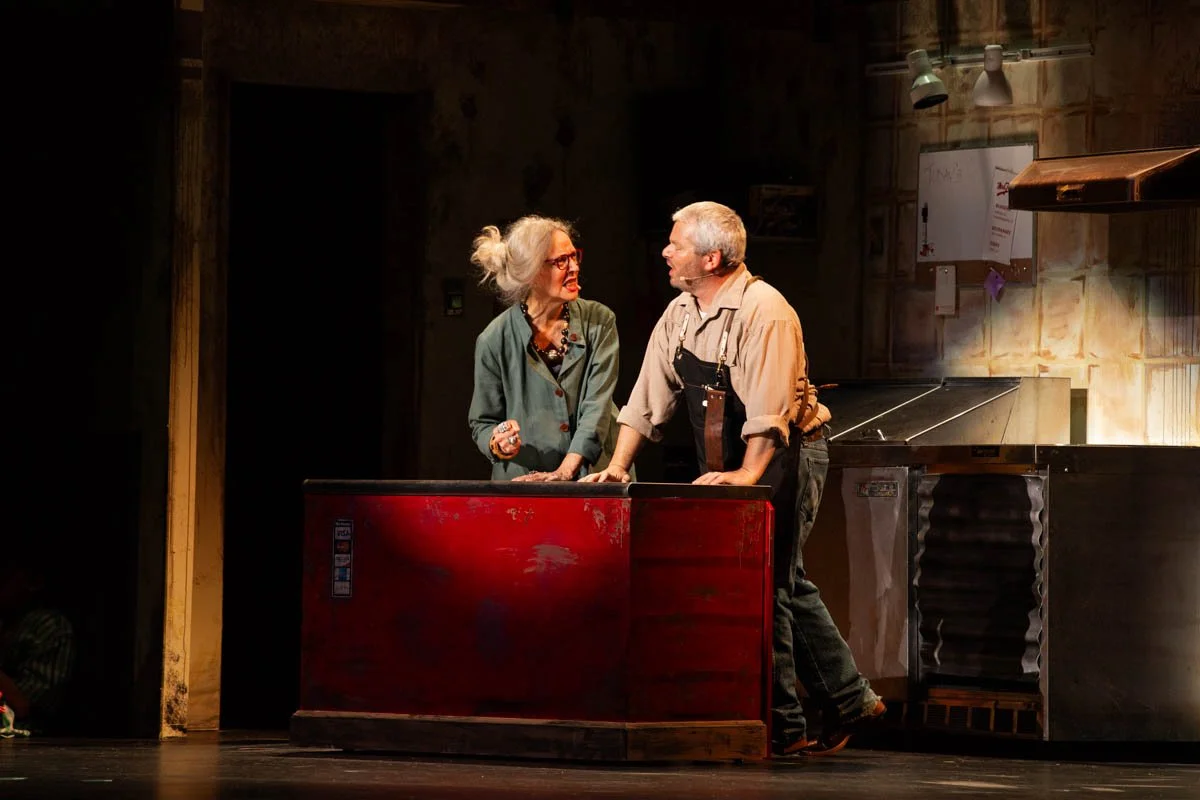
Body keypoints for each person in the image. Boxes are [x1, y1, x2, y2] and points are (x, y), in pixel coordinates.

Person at [582, 201, 884, 755]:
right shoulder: (682, 311)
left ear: (712, 256)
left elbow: (769, 409)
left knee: (768, 583)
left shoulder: (765, 312)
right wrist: (619, 463)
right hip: (732, 463)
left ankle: (785, 724)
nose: (666, 251)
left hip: (785, 453)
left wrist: (746, 474)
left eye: (676, 243)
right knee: (776, 582)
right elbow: (649, 396)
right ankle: (843, 702)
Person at [468, 215, 624, 481]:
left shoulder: (599, 321)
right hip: (526, 482)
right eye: (561, 261)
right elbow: (482, 423)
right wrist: (499, 443)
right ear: (531, 272)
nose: (574, 267)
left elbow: (597, 405)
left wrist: (566, 471)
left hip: (593, 477)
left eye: (575, 256)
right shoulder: (494, 339)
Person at [0, 552, 75, 735]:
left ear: (32, 582)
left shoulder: (49, 626)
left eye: (6, 575)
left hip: (24, 740)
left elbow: (23, 704)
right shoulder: (7, 622)